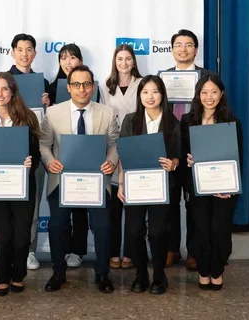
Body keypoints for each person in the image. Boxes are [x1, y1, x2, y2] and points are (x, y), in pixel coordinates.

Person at [40, 65, 119, 293]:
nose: (82, 89)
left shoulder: (106, 112)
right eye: (76, 84)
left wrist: (111, 161)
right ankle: (58, 272)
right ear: (68, 88)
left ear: (93, 87)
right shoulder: (53, 113)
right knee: (57, 226)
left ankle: (102, 273)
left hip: (96, 181)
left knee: (103, 226)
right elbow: (44, 144)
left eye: (86, 84)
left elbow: (114, 144)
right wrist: (49, 160)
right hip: (62, 179)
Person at [0, 72, 41, 296]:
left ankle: (18, 275)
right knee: (3, 235)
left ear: (12, 91)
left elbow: (37, 155)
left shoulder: (28, 118)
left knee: (22, 236)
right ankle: (2, 277)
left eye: (4, 88)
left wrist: (30, 162)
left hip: (22, 185)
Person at [117, 75, 181, 295]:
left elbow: (178, 156)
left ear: (162, 95)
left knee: (157, 233)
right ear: (140, 95)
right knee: (133, 232)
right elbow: (123, 155)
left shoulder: (173, 122)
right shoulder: (130, 120)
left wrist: (173, 163)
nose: (150, 96)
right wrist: (121, 184)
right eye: (145, 92)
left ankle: (159, 276)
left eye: (155, 91)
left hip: (162, 186)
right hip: (135, 185)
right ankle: (141, 274)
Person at [183, 74, 242, 291]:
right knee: (201, 230)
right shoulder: (188, 121)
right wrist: (187, 160)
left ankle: (217, 270)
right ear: (198, 95)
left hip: (224, 189)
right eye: (204, 92)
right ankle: (203, 270)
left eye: (214, 92)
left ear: (222, 94)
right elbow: (180, 154)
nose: (209, 97)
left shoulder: (232, 123)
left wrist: (232, 187)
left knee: (219, 229)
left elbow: (239, 158)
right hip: (198, 187)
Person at [42, 44, 97, 269]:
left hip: (84, 151)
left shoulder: (91, 87)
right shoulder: (51, 86)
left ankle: (79, 249)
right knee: (61, 211)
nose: (67, 62)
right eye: (63, 58)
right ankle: (61, 253)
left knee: (81, 206)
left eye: (72, 58)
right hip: (59, 155)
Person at [165, 29, 209, 270]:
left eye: (188, 44)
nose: (183, 49)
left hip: (196, 145)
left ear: (195, 49)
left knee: (195, 202)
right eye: (178, 45)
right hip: (171, 146)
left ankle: (194, 250)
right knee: (170, 200)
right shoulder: (163, 78)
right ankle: (172, 249)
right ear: (172, 50)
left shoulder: (207, 77)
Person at [7, 33, 51, 270]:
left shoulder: (42, 82)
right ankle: (7, 249)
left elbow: (47, 122)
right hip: (9, 149)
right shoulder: (3, 80)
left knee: (32, 206)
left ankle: (29, 250)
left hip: (34, 151)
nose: (25, 54)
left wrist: (47, 107)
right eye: (20, 49)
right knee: (7, 206)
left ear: (34, 53)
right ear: (12, 52)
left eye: (29, 49)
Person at [102, 44, 143, 269]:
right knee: (113, 208)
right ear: (114, 62)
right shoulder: (106, 86)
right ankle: (112, 252)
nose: (124, 63)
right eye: (120, 59)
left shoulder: (143, 84)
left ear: (134, 62)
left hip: (136, 143)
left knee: (133, 206)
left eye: (128, 59)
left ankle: (130, 253)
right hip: (113, 145)